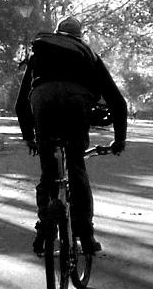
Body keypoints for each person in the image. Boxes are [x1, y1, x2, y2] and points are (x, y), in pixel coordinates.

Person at [16, 16, 128, 255]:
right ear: (80, 36)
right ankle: (86, 237)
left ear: (57, 33)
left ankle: (44, 234)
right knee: (76, 165)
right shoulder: (88, 54)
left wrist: (29, 137)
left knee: (49, 172)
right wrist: (120, 139)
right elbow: (117, 102)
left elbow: (20, 104)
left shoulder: (40, 53)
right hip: (76, 105)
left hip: (42, 101)